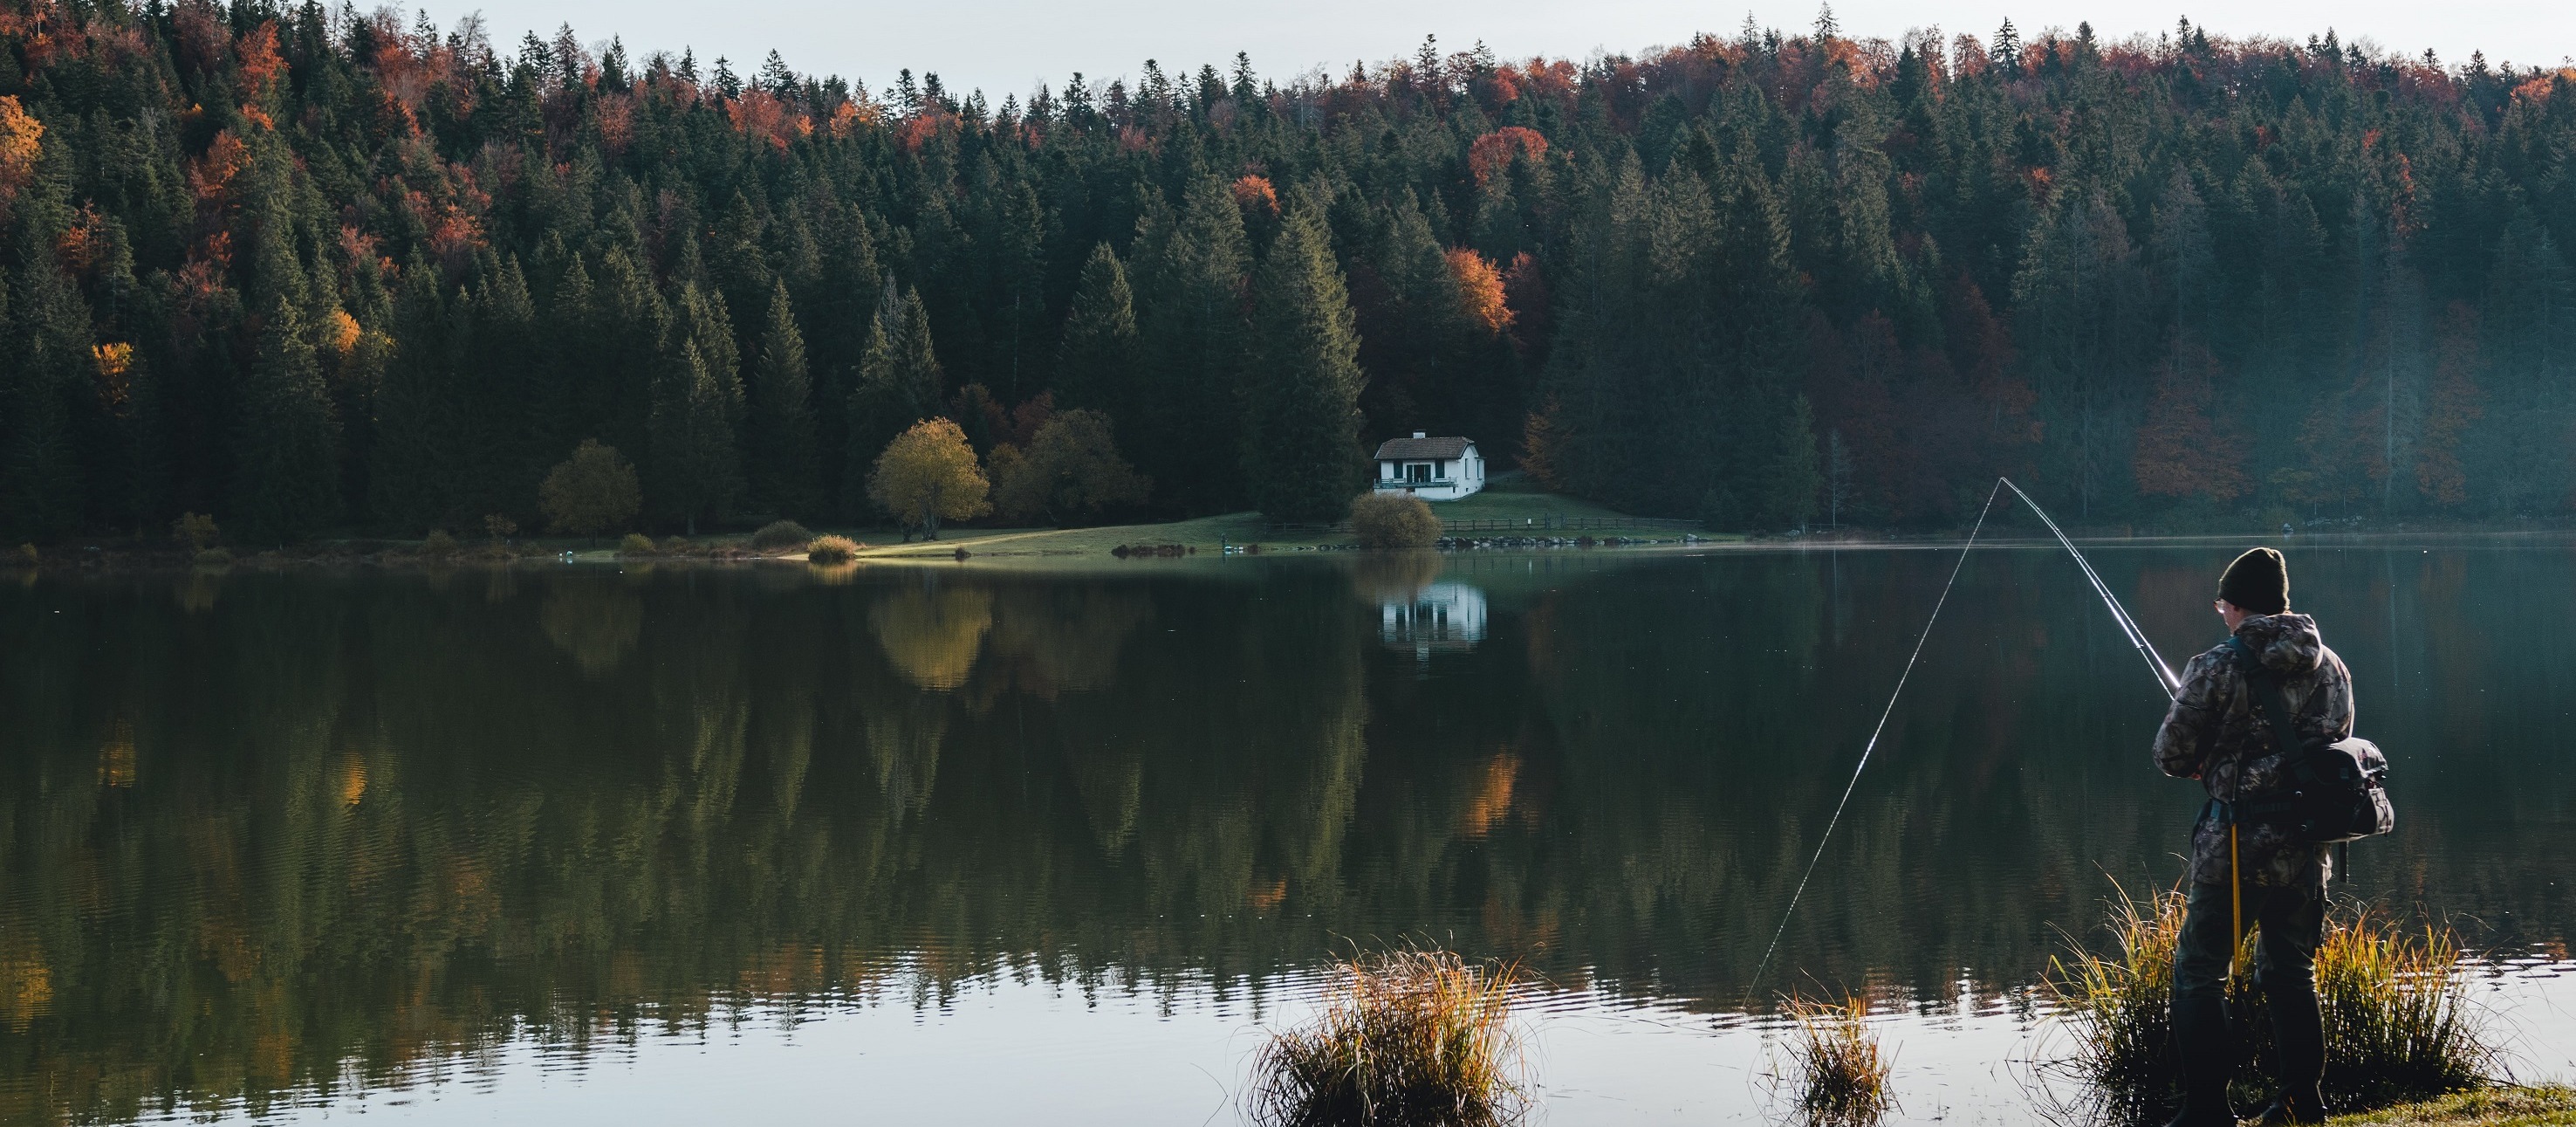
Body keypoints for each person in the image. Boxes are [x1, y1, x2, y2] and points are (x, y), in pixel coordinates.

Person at [2151, 547, 2353, 1127]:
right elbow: (2334, 745)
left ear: (2241, 606)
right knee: (2292, 971)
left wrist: (2209, 762)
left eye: (2225, 604)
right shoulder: (2331, 665)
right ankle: (2301, 1103)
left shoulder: (2216, 665)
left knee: (2199, 971)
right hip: (2308, 847)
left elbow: (2171, 754)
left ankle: (2208, 1111)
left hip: (2234, 846)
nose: (2222, 614)